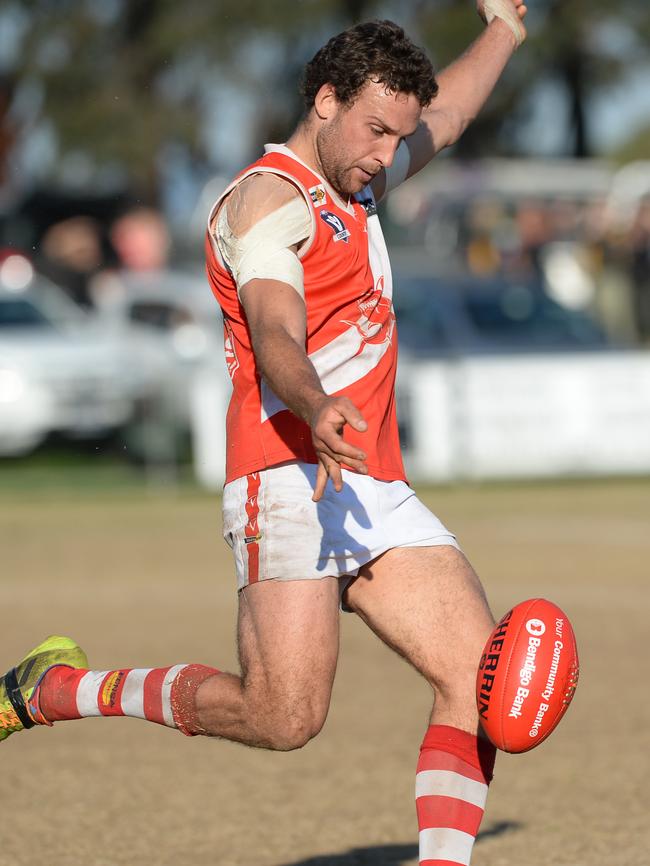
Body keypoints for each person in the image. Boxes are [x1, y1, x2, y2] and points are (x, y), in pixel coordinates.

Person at [1, 5, 528, 865]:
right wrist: (317, 405)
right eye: (375, 130)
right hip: (285, 472)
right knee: (283, 717)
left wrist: (505, 29)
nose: (388, 153)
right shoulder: (267, 204)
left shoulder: (359, 180)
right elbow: (275, 330)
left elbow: (454, 113)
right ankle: (59, 690)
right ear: (325, 100)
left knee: (480, 682)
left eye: (399, 137)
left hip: (368, 476)